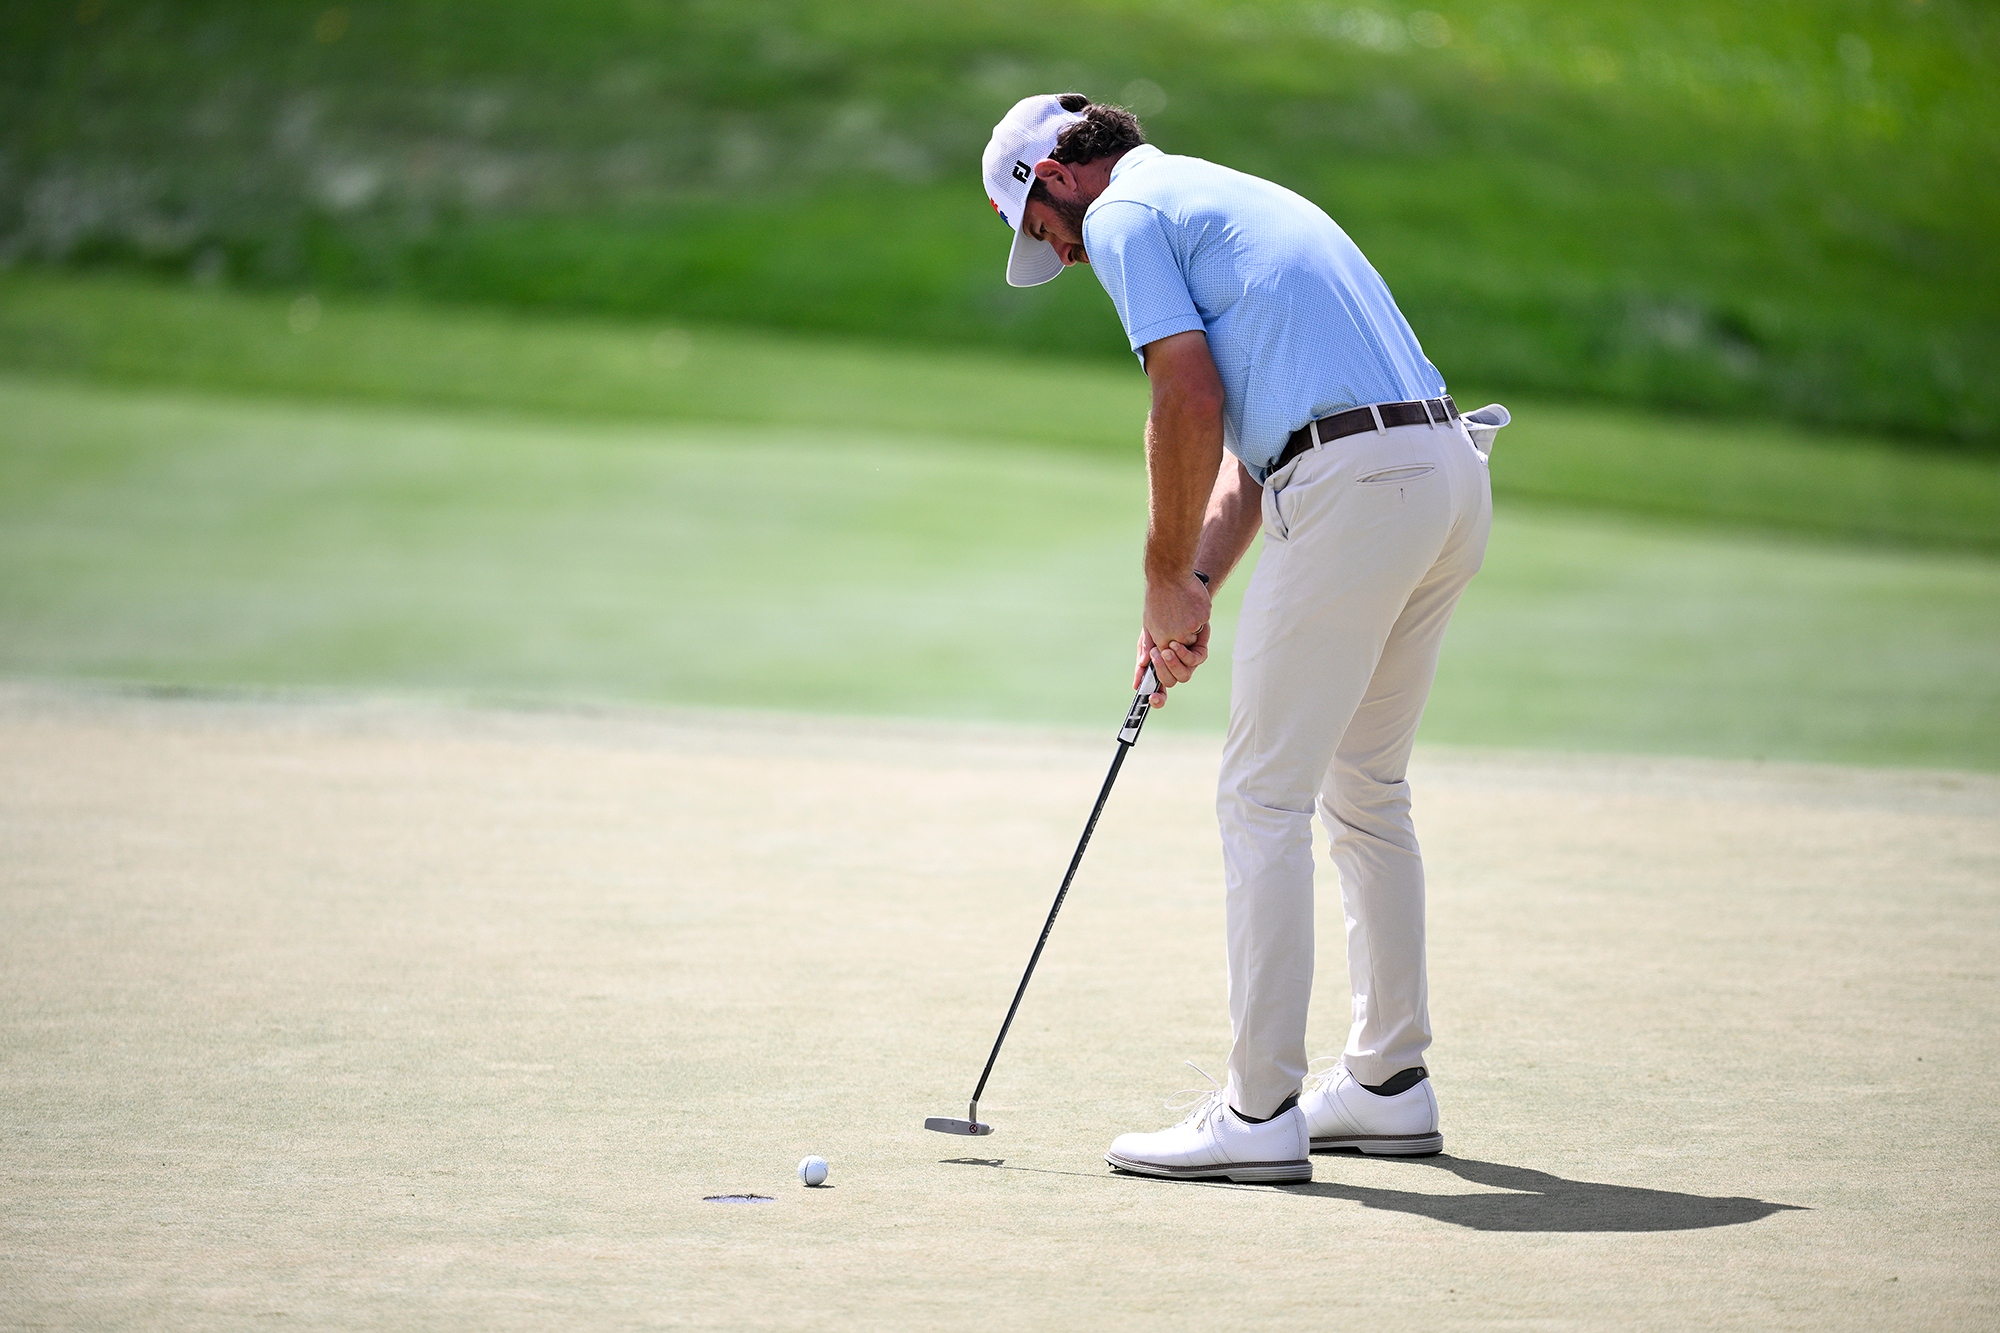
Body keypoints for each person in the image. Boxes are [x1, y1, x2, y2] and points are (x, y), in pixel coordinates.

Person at [979, 93, 1494, 1182]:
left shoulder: (1123, 215)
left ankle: (1258, 1111)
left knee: (1262, 798)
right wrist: (1196, 584)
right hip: (1441, 476)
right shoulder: (1224, 193)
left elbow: (1186, 398)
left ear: (1056, 179)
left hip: (1360, 485)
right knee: (1365, 788)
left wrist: (1160, 575)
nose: (1063, 258)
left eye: (1041, 233)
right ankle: (1387, 1085)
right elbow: (1258, 452)